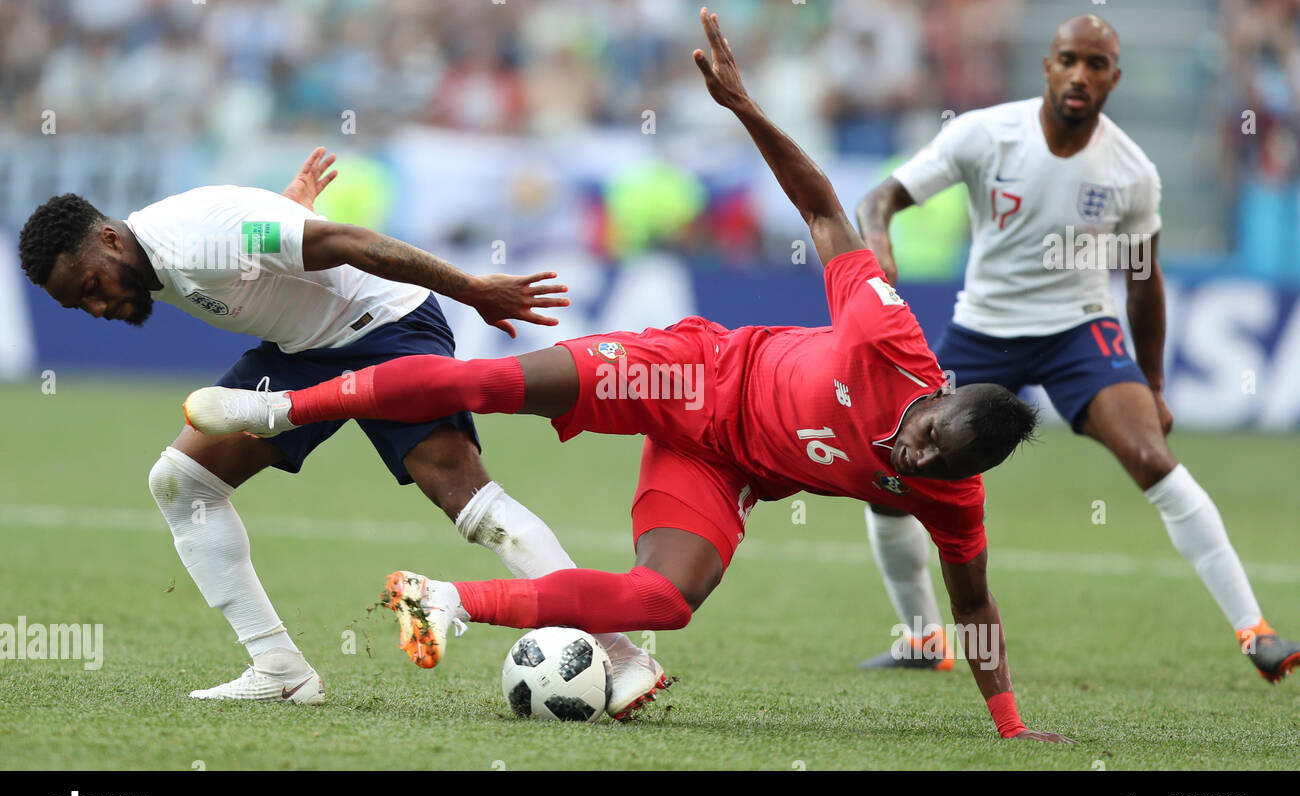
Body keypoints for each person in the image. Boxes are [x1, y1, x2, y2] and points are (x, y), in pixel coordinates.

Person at [185, 8, 1073, 742]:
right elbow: (821, 207)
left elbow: (976, 605)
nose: (909, 452)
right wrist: (744, 106)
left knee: (667, 601)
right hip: (688, 373)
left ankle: (447, 601)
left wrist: (1009, 722)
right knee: (489, 384)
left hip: (721, 468)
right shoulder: (889, 335)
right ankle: (282, 407)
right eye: (924, 431)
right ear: (943, 390)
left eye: (928, 463)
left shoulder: (952, 498)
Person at [17, 149, 668, 717]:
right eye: (82, 306)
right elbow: (263, 239)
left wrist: (473, 289)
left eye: (94, 287)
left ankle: (619, 648)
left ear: (107, 238)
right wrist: (288, 209)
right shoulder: (166, 253)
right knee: (181, 482)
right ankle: (279, 669)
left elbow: (350, 243)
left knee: (464, 496)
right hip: (302, 346)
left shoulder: (195, 242)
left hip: (385, 325)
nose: (99, 308)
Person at [853, 13, 1300, 682]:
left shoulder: (1131, 172)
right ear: (1048, 66)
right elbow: (880, 196)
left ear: (1115, 77)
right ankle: (922, 638)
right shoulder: (984, 134)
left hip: (1078, 332)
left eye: (1096, 65)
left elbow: (1144, 283)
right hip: (983, 329)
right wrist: (880, 241)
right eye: (1069, 59)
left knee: (1152, 457)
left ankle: (1255, 629)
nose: (1080, 75)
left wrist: (1151, 382)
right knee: (890, 474)